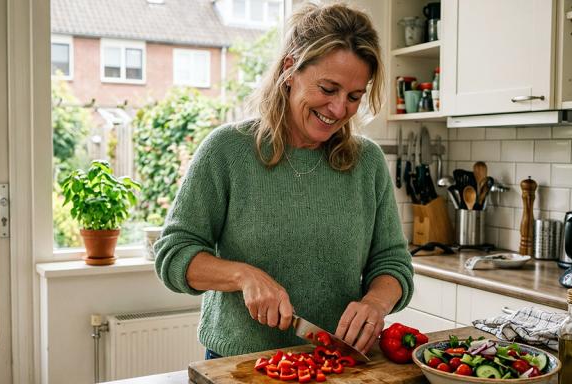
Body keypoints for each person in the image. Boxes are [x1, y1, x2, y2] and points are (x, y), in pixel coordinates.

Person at [155, 2, 414, 359]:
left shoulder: (366, 162)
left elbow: (392, 263)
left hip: (338, 365)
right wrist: (243, 276)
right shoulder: (228, 151)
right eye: (328, 88)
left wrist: (376, 302)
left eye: (354, 97)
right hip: (239, 365)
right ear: (290, 69)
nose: (339, 109)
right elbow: (173, 253)